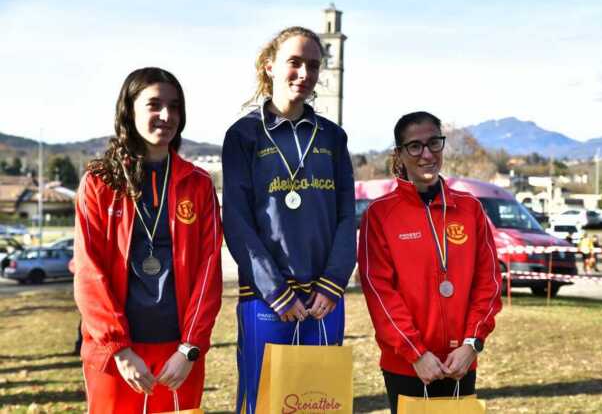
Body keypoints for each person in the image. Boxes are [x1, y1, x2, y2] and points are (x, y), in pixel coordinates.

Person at [222, 26, 356, 414]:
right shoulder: (243, 135)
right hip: (267, 300)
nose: (304, 73)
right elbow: (237, 221)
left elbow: (346, 216)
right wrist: (275, 290)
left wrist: (333, 283)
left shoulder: (332, 137)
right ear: (270, 66)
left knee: (318, 405)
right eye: (294, 62)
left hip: (323, 299)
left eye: (313, 65)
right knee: (263, 404)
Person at [74, 67, 223, 413]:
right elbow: (88, 272)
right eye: (154, 104)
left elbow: (209, 270)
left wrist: (190, 348)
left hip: (178, 355)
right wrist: (119, 349)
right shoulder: (99, 182)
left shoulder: (198, 184)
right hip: (117, 355)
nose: (166, 115)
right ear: (129, 110)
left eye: (174, 106)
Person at [358, 111, 502, 413]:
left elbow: (488, 283)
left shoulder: (470, 209)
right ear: (399, 154)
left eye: (434, 143)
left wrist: (472, 344)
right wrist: (415, 352)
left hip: (460, 362)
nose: (427, 154)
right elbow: (379, 293)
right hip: (408, 365)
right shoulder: (380, 214)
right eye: (415, 146)